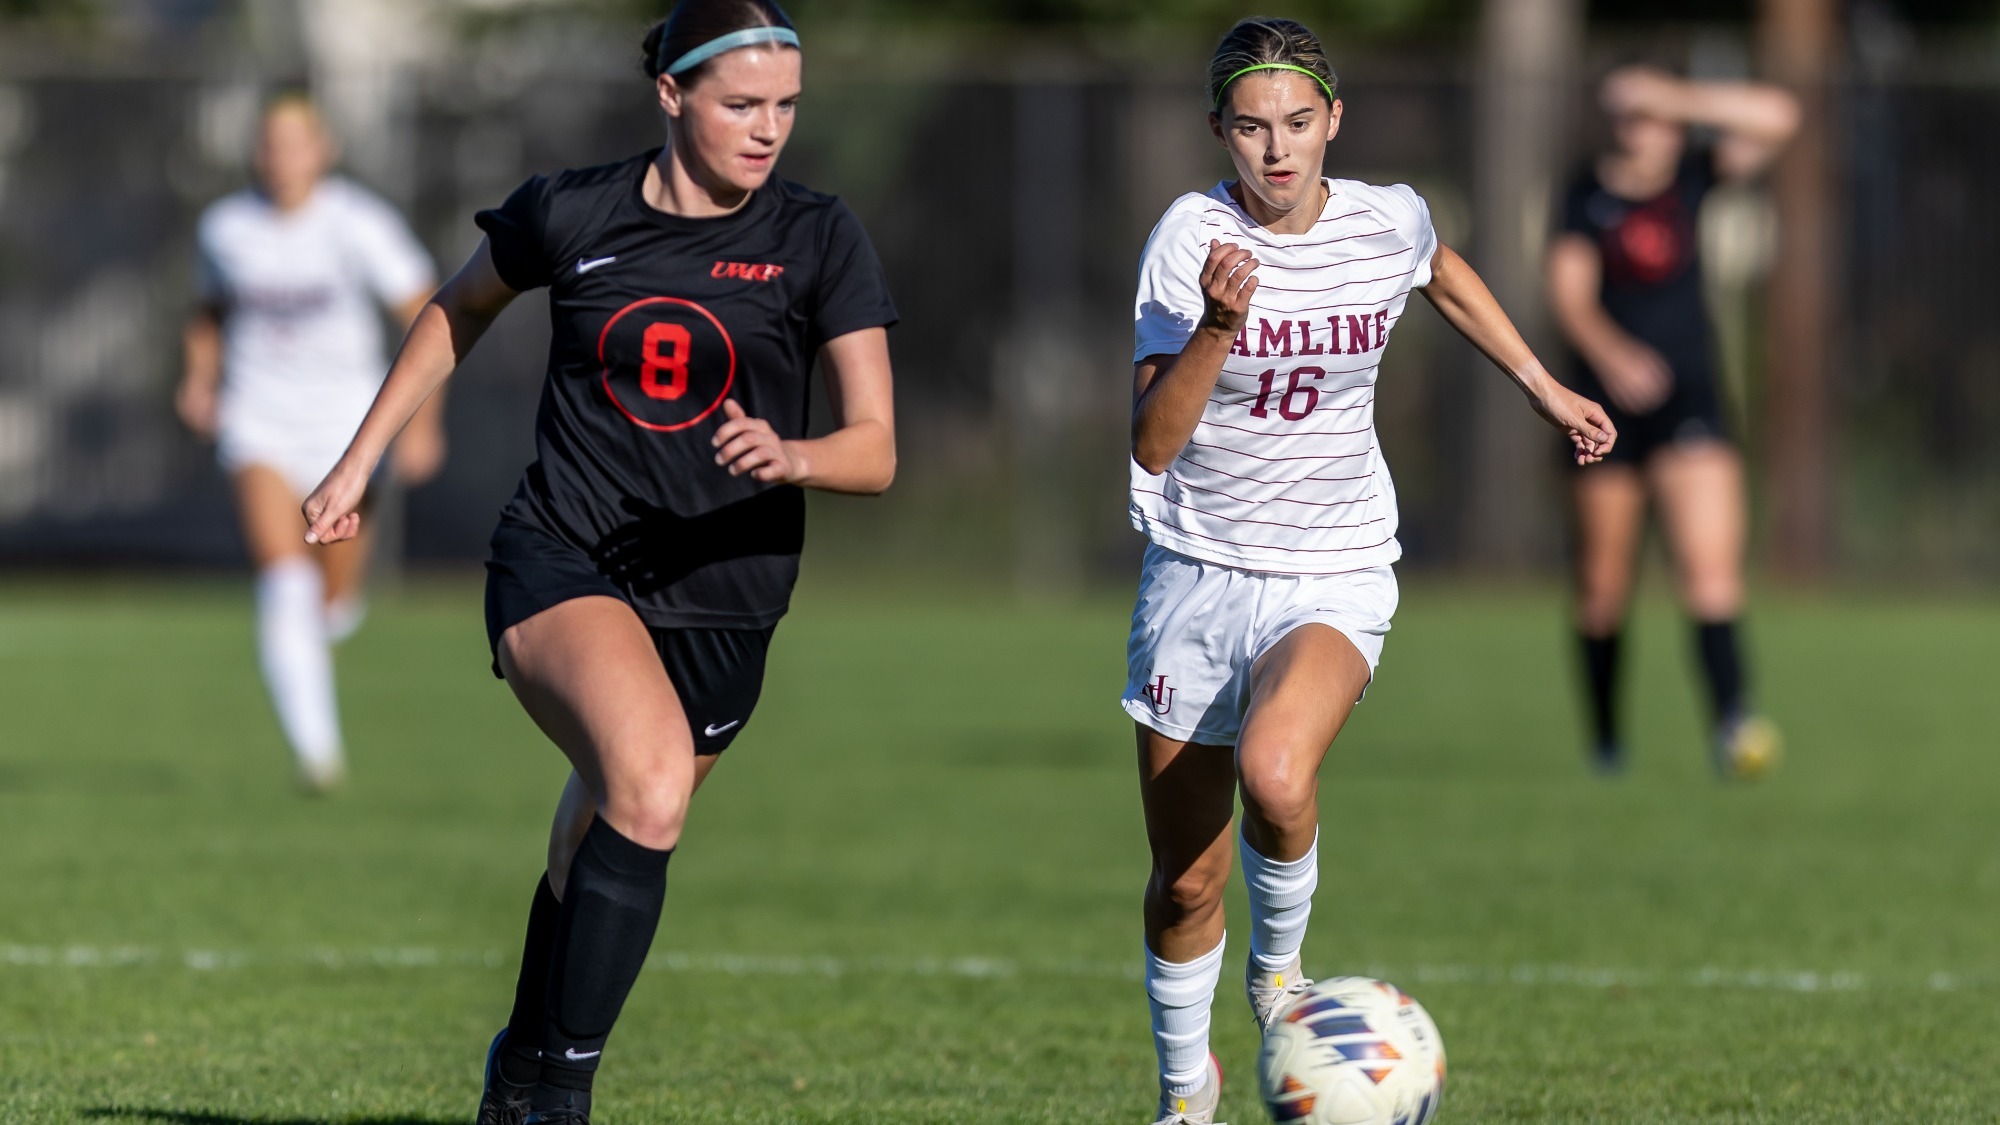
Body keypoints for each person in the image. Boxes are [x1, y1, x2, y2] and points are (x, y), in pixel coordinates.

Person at [300, 2, 897, 1122]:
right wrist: (357, 463)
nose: (768, 129)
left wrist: (796, 453)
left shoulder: (818, 237)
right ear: (671, 95)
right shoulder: (571, 211)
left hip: (729, 597)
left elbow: (875, 452)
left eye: (785, 106)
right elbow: (454, 309)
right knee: (650, 784)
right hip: (565, 556)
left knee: (598, 836)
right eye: (740, 104)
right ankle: (562, 1098)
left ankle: (522, 1064)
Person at [1125, 17, 1615, 1124]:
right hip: (1199, 571)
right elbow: (1152, 443)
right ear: (1218, 133)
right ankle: (1181, 1096)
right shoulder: (1186, 237)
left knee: (1279, 774)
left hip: (1335, 564)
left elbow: (1439, 270)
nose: (1276, 150)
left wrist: (1539, 386)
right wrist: (1214, 325)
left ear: (1333, 121)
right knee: (1186, 880)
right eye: (1249, 128)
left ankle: (1277, 978)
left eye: (1297, 123)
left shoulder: (1384, 216)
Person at [176, 92, 443, 794]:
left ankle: (319, 638)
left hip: (345, 430)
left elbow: (430, 315)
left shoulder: (358, 223)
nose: (281, 157)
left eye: (296, 143)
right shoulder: (227, 227)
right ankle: (317, 755)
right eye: (270, 143)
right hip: (257, 419)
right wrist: (201, 380)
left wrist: (422, 422)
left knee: (330, 603)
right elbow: (208, 311)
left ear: (323, 150)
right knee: (283, 575)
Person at [1547, 65, 1799, 778]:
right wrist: (1613, 354)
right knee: (1602, 582)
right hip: (1604, 409)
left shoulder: (1694, 175)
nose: (1643, 129)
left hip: (1692, 400)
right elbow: (1568, 295)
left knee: (1711, 569)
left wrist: (1677, 97)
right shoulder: (1584, 192)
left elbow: (1780, 115)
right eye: (1632, 115)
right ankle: (1606, 743)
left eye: (1654, 117)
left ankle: (1732, 721)